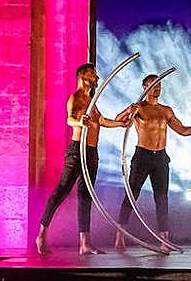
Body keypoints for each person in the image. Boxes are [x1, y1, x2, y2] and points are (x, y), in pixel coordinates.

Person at [36, 63, 132, 255]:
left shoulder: (91, 100)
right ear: (83, 76)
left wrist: (120, 124)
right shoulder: (76, 98)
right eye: (92, 73)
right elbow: (69, 119)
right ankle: (42, 235)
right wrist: (80, 122)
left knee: (86, 196)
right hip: (77, 150)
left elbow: (101, 121)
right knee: (62, 190)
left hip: (91, 152)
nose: (96, 76)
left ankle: (84, 244)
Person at [114, 74, 191, 251]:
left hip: (160, 157)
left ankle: (164, 240)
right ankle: (120, 236)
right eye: (154, 85)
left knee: (162, 199)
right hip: (142, 156)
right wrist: (128, 111)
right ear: (145, 87)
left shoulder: (166, 110)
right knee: (131, 195)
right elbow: (118, 120)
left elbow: (183, 131)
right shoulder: (139, 108)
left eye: (159, 85)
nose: (157, 88)